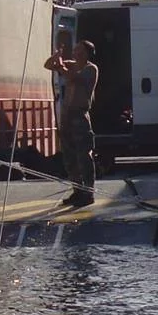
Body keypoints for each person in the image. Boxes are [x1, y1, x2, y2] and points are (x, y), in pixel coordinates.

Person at [45, 38, 99, 208]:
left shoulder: (90, 69)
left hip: (80, 114)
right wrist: (56, 57)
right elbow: (48, 65)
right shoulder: (71, 64)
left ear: (87, 53)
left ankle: (88, 191)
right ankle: (77, 189)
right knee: (69, 156)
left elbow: (72, 78)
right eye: (75, 50)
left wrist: (61, 65)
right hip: (67, 114)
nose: (76, 53)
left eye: (79, 51)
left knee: (84, 154)